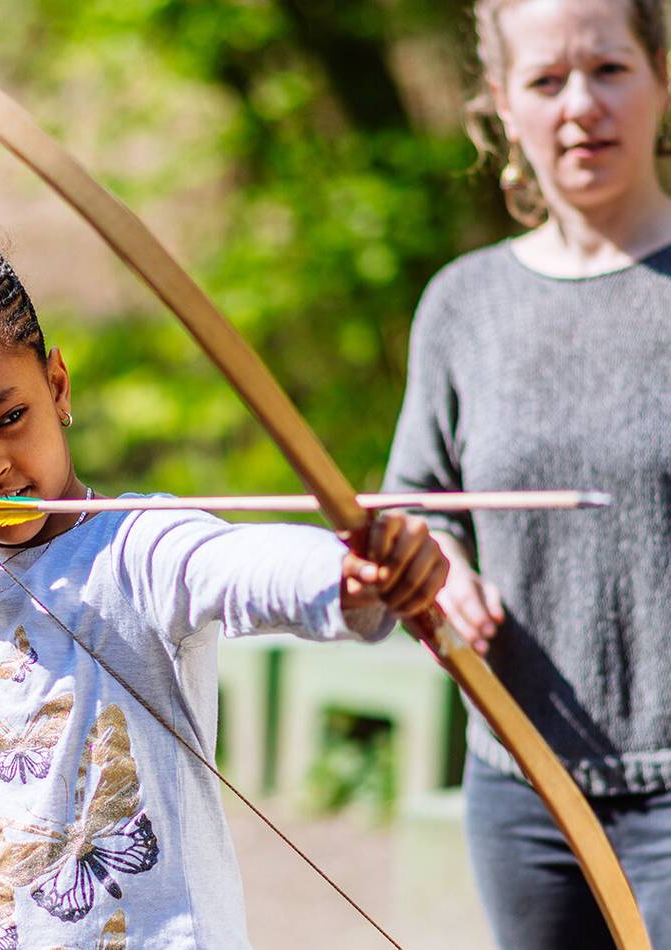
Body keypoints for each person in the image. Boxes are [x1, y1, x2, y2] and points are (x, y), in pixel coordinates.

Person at [0, 161, 447, 949]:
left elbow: (242, 567)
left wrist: (355, 572)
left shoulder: (139, 547)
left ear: (58, 386)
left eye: (9, 417)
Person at [383, 0, 671, 947]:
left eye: (609, 69)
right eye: (547, 81)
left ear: (662, 77)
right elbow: (416, 502)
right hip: (522, 791)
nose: (580, 105)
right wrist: (440, 566)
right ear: (504, 103)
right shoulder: (462, 304)